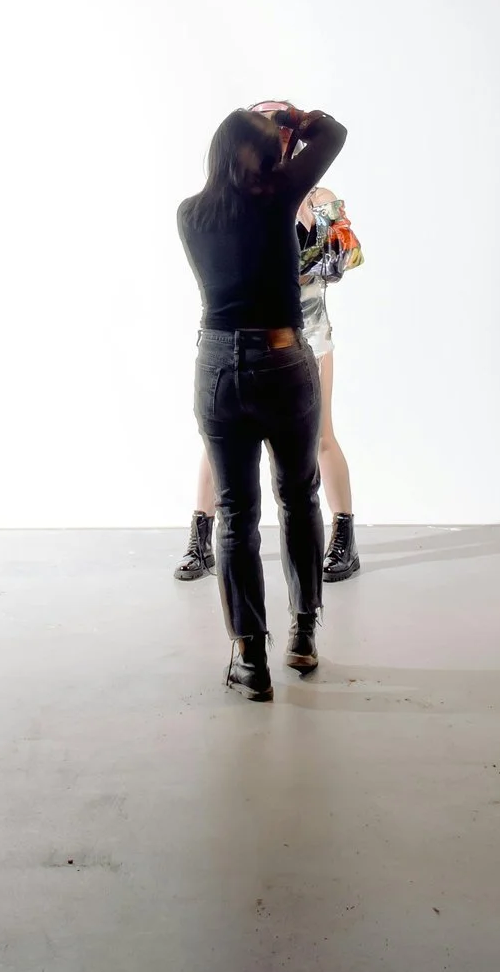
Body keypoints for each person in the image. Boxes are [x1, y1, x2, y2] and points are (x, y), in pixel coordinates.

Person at [177, 103, 347, 701]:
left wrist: (271, 132)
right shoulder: (277, 196)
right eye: (275, 144)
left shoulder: (190, 214)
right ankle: (302, 636)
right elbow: (334, 133)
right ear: (264, 154)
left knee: (234, 513)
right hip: (283, 360)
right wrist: (294, 117)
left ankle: (250, 659)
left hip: (218, 364)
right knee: (298, 498)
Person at [174, 168, 364, 583]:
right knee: (218, 441)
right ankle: (200, 539)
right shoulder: (240, 199)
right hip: (243, 336)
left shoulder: (318, 198)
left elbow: (344, 261)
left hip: (308, 335)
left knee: (320, 437)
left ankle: (344, 538)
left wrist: (308, 222)